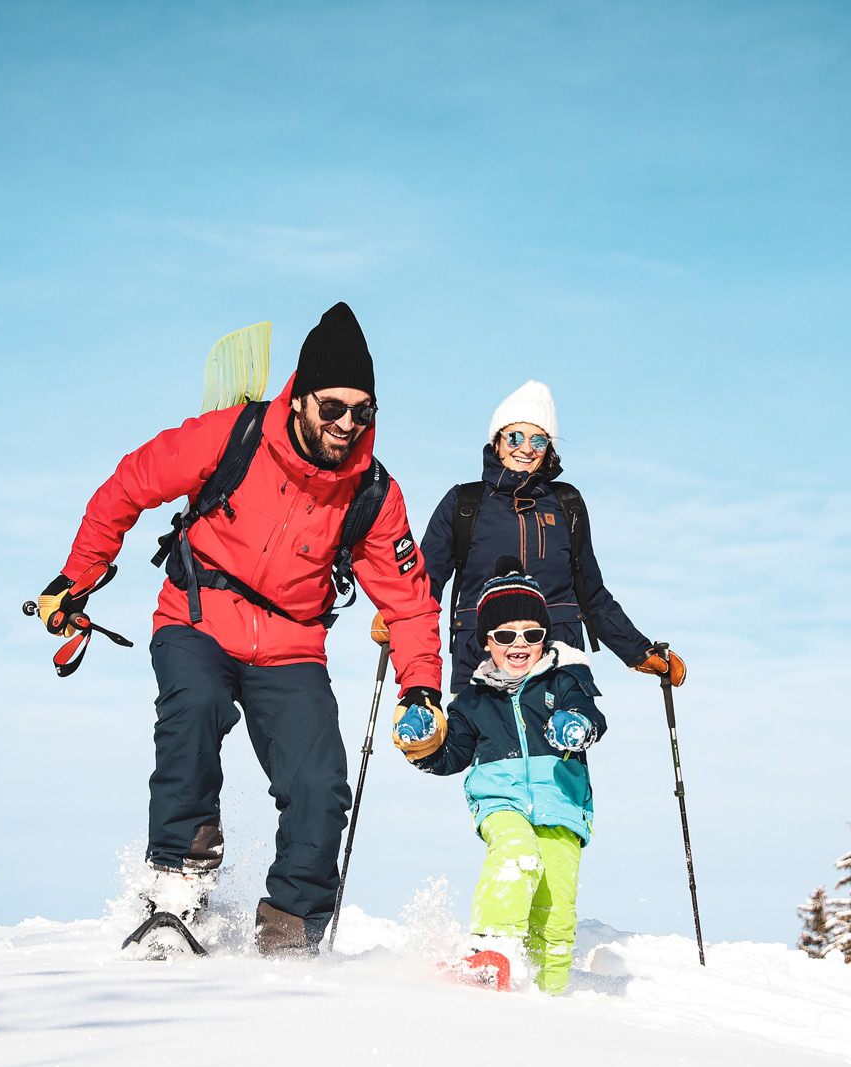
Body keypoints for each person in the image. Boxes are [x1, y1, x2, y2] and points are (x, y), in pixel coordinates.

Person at [37, 303, 447, 955]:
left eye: (361, 411)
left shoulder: (371, 492)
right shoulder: (232, 436)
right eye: (332, 407)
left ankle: (292, 931)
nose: (346, 424)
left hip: (290, 646)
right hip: (198, 616)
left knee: (321, 784)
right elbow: (128, 486)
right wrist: (75, 578)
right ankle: (176, 890)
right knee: (193, 710)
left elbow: (410, 600)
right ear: (301, 397)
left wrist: (421, 688)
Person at [407, 557, 606, 994]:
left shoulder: (564, 683)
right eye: (505, 636)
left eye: (532, 635)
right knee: (518, 852)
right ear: (487, 642)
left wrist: (577, 725)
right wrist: (422, 751)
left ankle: (546, 995)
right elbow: (451, 756)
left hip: (562, 806)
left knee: (556, 915)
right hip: (501, 801)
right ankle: (487, 951)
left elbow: (592, 717)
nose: (519, 644)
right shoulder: (472, 701)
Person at [419, 379, 686, 694]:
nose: (527, 448)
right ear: (497, 442)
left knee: (563, 738)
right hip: (482, 664)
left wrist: (638, 650)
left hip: (558, 665)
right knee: (482, 743)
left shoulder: (567, 503)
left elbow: (591, 592)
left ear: (548, 451)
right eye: (515, 436)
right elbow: (425, 581)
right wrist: (396, 618)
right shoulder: (464, 502)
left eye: (539, 440)